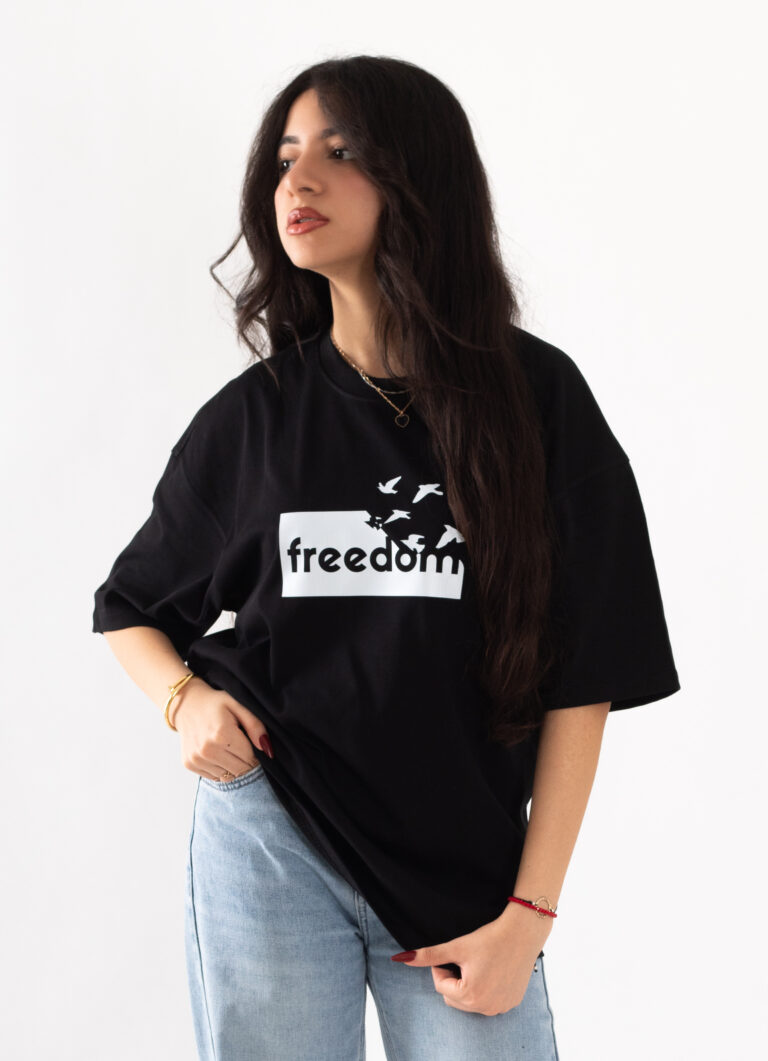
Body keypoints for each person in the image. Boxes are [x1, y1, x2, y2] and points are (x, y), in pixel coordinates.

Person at [92, 55, 680, 1061]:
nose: (298, 179)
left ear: (417, 176)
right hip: (272, 835)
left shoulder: (540, 402)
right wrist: (184, 702)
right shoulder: (257, 418)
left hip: (464, 865)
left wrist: (530, 912)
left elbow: (588, 674)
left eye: (341, 150)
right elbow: (131, 605)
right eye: (286, 156)